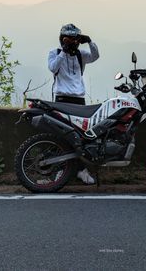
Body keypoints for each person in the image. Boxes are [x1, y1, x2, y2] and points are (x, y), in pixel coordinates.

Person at [48, 23, 99, 184]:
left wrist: (90, 41)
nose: (72, 42)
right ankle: (59, 170)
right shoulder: (55, 53)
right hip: (62, 100)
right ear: (62, 39)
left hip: (79, 100)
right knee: (62, 136)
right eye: (68, 38)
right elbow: (52, 67)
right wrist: (64, 50)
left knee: (82, 137)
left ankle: (81, 171)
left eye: (75, 39)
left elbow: (95, 56)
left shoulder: (80, 55)